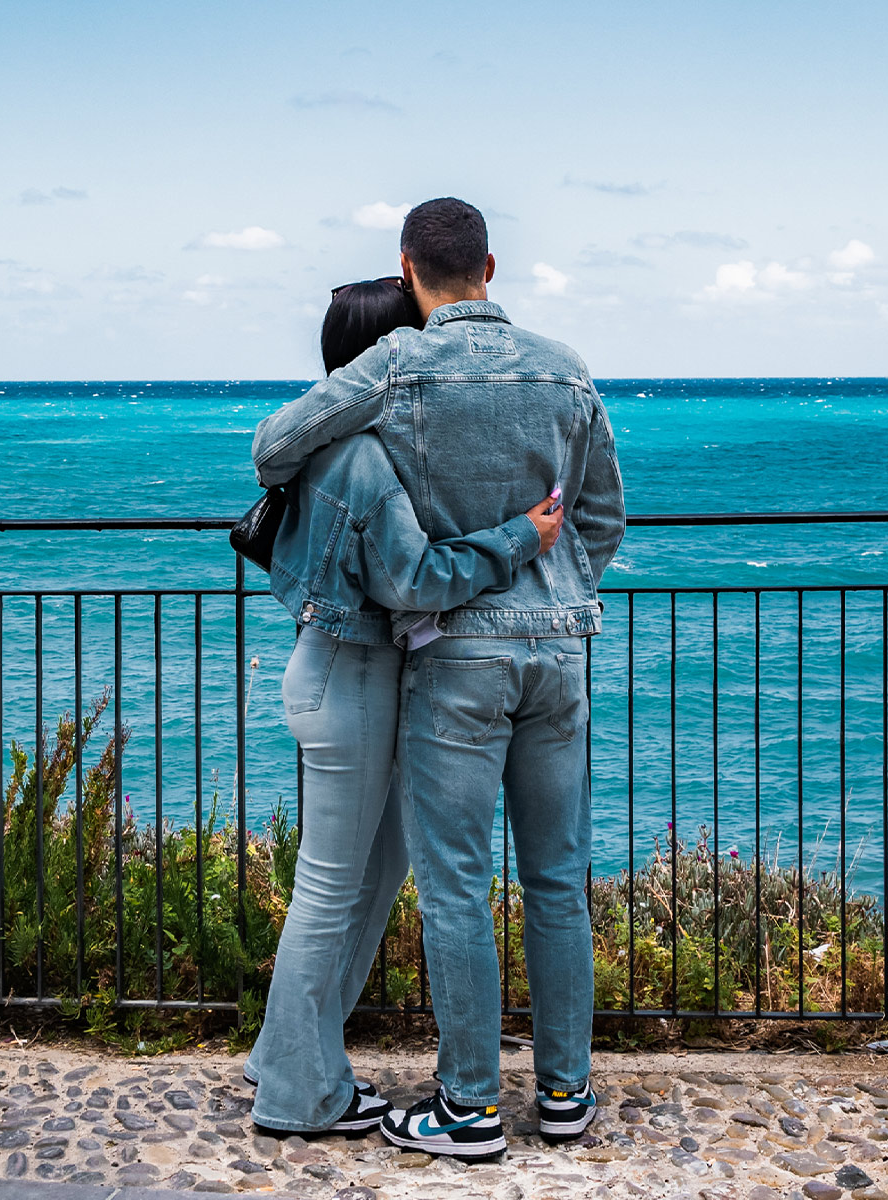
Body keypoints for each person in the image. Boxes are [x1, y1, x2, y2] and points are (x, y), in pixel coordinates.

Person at [251, 199, 626, 1160]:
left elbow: (275, 446)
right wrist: (550, 580)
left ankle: (468, 1109)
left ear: (408, 269)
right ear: (491, 266)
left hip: (454, 651)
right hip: (561, 645)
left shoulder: (399, 363)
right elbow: (602, 519)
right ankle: (568, 1095)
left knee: (456, 884)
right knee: (557, 878)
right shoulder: (568, 366)